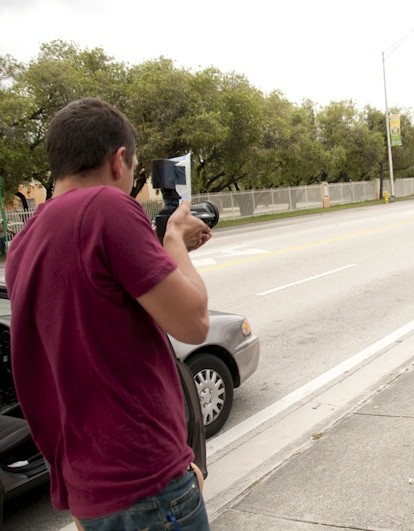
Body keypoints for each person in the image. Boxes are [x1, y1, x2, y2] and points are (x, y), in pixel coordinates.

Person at [5, 98, 213, 529]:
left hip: (91, 490)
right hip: (146, 481)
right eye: (133, 171)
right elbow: (193, 323)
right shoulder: (106, 207)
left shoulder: (23, 244)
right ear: (119, 160)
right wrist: (174, 240)